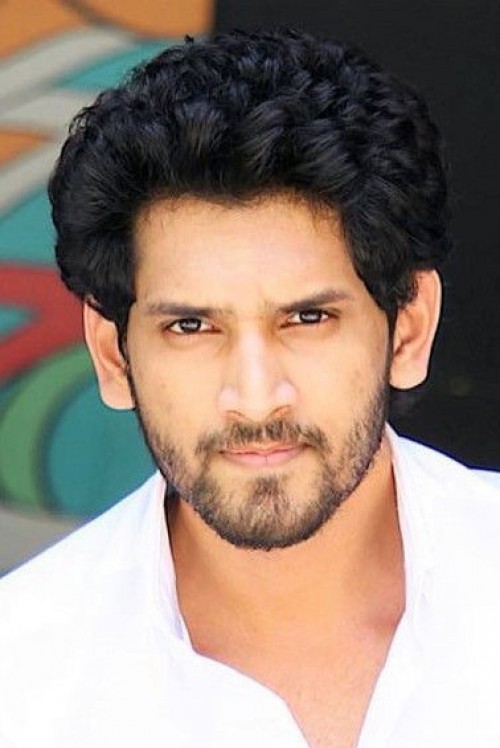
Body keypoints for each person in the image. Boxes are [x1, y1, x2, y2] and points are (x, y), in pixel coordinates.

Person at [1, 28, 500, 748]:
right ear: (113, 354)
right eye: (192, 327)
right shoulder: (21, 681)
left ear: (408, 330)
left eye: (307, 318)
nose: (257, 396)